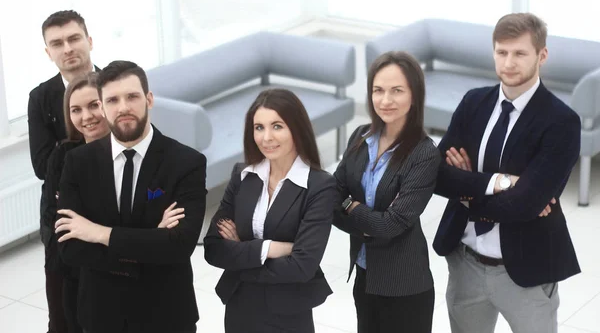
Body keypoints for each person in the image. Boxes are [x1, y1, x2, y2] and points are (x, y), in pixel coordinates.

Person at [433, 13, 581, 333]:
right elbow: (437, 175)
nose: (509, 62)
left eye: (519, 53)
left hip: (527, 270)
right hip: (465, 261)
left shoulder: (562, 122)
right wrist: (497, 184)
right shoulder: (474, 102)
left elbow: (526, 204)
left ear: (542, 55)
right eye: (502, 52)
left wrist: (468, 194)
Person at [54, 60, 207, 333]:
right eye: (112, 99)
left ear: (149, 99)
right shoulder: (77, 162)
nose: (123, 107)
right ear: (102, 106)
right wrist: (152, 239)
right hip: (101, 315)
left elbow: (179, 246)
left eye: (132, 97)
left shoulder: (186, 162)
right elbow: (70, 247)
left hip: (167, 315)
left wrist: (99, 233)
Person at [204, 88, 337, 333]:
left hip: (287, 312)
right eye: (259, 127)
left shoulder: (319, 185)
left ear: (296, 128)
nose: (266, 137)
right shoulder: (243, 175)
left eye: (277, 126)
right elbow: (213, 248)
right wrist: (271, 248)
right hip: (239, 307)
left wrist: (240, 251)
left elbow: (302, 266)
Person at [333, 51, 440, 333]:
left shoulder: (424, 153)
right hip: (364, 274)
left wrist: (352, 208)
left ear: (414, 95)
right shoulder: (360, 137)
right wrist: (362, 216)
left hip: (404, 284)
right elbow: (331, 197)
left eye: (396, 91)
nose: (385, 100)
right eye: (377, 90)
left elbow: (392, 225)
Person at [27, 9, 97, 333]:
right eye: (57, 43)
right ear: (48, 52)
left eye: (73, 38)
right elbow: (42, 165)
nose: (67, 48)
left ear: (89, 40)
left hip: (117, 216)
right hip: (60, 219)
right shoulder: (40, 98)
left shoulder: (118, 80)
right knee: (63, 315)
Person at [44, 72, 109, 333]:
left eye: (94, 105)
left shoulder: (127, 154)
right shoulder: (62, 155)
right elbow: (53, 214)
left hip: (113, 266)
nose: (86, 117)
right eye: (76, 109)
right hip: (68, 267)